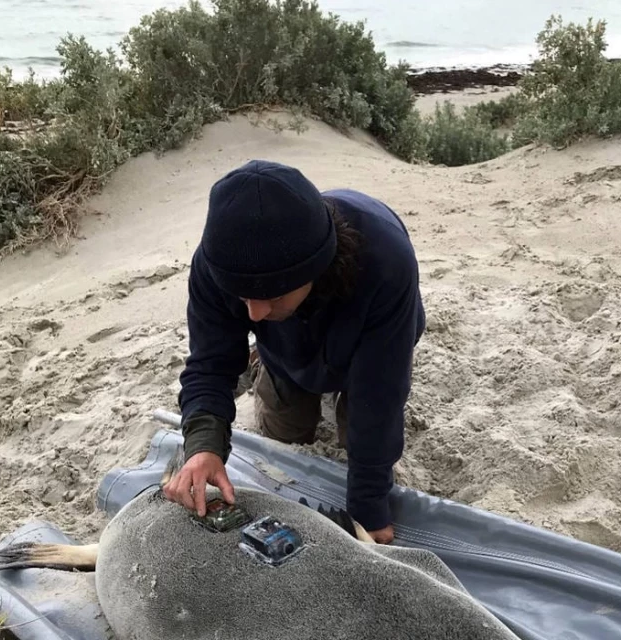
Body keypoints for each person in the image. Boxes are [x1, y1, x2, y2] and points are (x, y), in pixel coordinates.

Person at [163, 159, 426, 544]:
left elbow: (381, 393)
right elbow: (209, 363)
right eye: (244, 297)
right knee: (285, 426)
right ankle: (272, 364)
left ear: (314, 268)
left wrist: (369, 507)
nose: (253, 313)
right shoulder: (219, 261)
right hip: (286, 345)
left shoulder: (386, 261)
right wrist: (203, 447)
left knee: (362, 422)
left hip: (373, 333)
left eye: (270, 295)